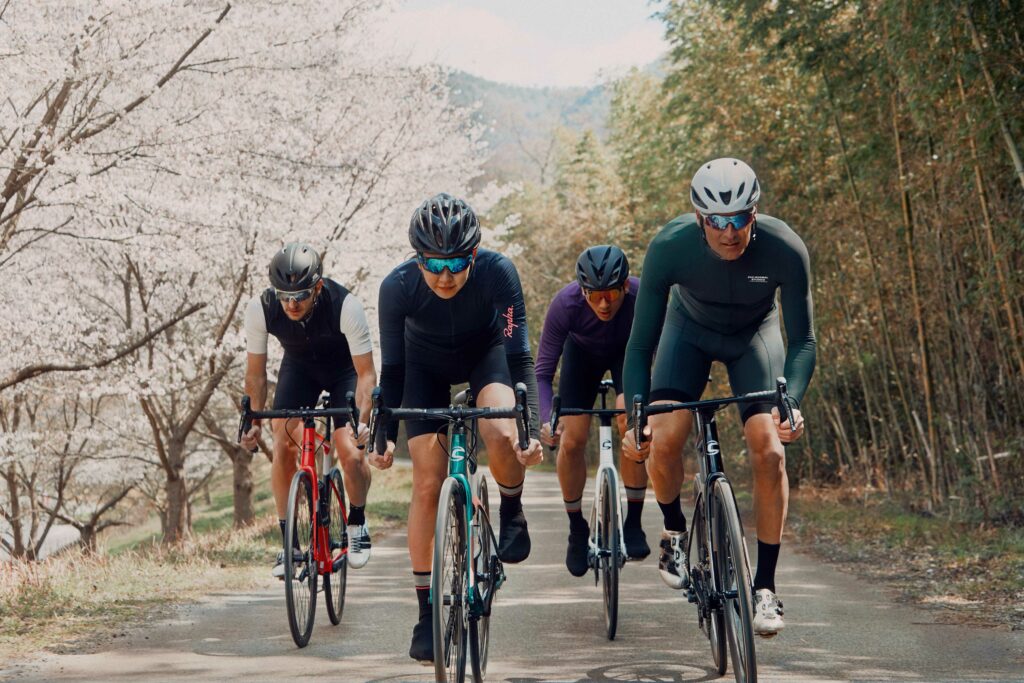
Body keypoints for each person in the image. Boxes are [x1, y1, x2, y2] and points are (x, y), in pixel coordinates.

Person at [622, 158, 815, 637]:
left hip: (755, 338)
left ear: (754, 212)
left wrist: (791, 403)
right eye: (716, 221)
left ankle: (765, 588)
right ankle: (673, 530)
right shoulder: (670, 246)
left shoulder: (785, 247)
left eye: (740, 218)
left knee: (769, 452)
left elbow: (804, 341)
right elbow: (640, 344)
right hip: (686, 335)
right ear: (698, 219)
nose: (729, 232)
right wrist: (636, 417)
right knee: (665, 438)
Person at [374, 193, 543, 663]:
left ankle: (512, 509)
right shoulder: (397, 287)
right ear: (417, 257)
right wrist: (382, 433)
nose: (445, 275)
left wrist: (528, 430)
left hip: (485, 355)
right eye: (433, 263)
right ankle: (427, 613)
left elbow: (518, 356)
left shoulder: (498, 272)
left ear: (473, 255)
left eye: (455, 262)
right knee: (427, 482)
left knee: (500, 430)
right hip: (422, 367)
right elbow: (392, 373)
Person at [240, 242, 378, 576]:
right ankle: (289, 544)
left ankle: (357, 522)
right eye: (284, 295)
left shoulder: (346, 306)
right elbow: (255, 374)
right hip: (299, 369)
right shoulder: (260, 308)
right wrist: (253, 420)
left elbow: (366, 374)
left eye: (300, 295)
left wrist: (362, 421)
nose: (291, 304)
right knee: (282, 440)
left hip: (345, 371)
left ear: (317, 286)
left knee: (350, 450)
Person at [537, 245, 650, 576]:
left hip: (628, 355)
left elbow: (661, 349)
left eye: (612, 294)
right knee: (571, 439)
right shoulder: (565, 304)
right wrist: (546, 419)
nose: (604, 303)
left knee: (630, 422)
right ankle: (576, 529)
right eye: (594, 295)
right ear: (582, 290)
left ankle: (634, 521)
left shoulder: (642, 297)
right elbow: (543, 373)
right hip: (581, 359)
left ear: (625, 286)